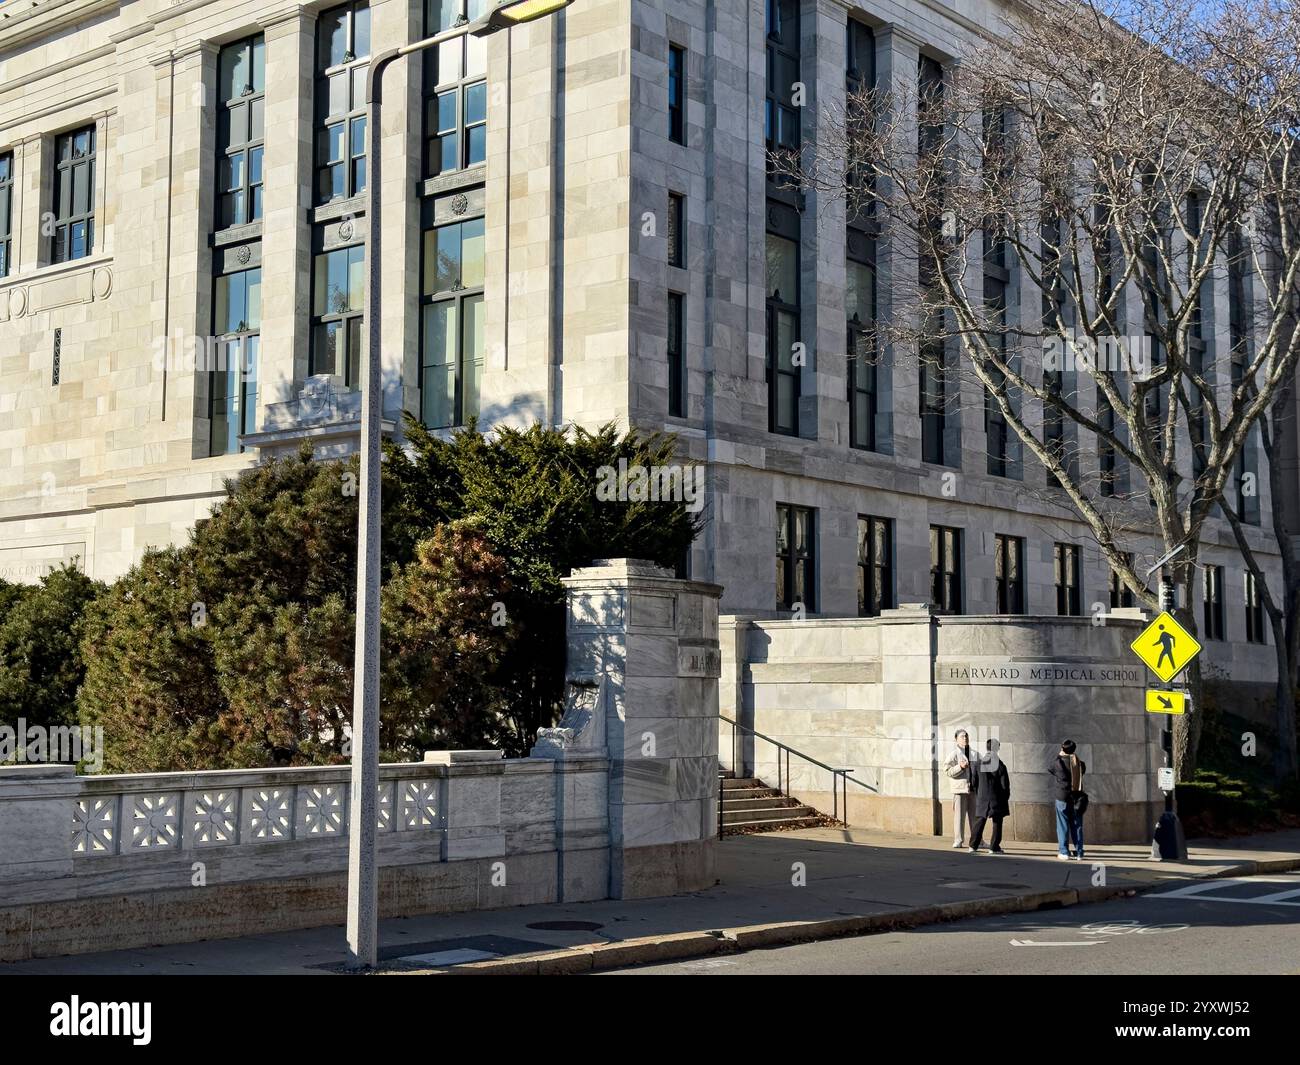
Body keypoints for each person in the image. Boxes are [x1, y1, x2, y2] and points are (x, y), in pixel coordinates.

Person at [1049, 739, 1087, 860]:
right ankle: (1079, 852)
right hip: (1076, 798)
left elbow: (1050, 768)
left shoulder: (1058, 762)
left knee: (1062, 825)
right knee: (1077, 825)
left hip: (1062, 797)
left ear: (1062, 749)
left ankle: (1064, 851)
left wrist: (1059, 755)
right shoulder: (1080, 763)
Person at [970, 738, 1010, 854]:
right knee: (997, 823)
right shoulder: (1000, 765)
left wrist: (979, 794)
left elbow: (974, 782)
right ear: (997, 749)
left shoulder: (979, 763)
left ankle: (973, 845)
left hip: (982, 797)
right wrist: (1005, 797)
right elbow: (1005, 785)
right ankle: (994, 847)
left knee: (979, 821)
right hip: (996, 798)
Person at [944, 728, 978, 848]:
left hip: (973, 790)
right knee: (959, 817)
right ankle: (958, 840)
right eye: (962, 736)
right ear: (956, 739)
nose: (965, 738)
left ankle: (978, 840)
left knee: (975, 817)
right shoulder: (953, 755)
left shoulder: (974, 753)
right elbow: (947, 771)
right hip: (960, 790)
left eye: (966, 736)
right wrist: (960, 767)